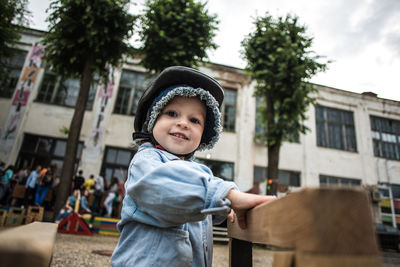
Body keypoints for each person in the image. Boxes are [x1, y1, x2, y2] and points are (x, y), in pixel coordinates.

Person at [111, 66, 276, 266]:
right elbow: (169, 185)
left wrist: (227, 209)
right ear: (152, 120)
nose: (183, 123)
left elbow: (203, 197)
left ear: (205, 134)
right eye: (172, 113)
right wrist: (228, 196)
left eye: (194, 120)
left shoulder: (195, 175)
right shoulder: (147, 161)